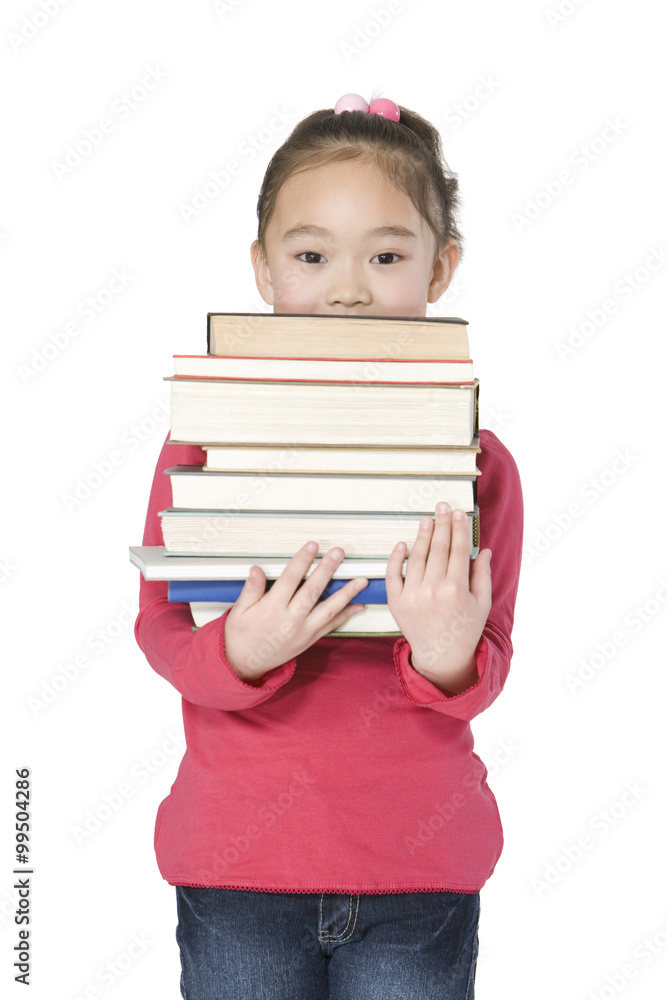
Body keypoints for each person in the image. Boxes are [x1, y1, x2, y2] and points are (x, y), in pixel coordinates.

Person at [134, 92, 524, 1000]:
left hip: (419, 873)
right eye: (311, 255)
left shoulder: (482, 465)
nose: (348, 287)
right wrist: (240, 649)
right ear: (265, 271)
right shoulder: (201, 444)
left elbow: (490, 665)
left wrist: (444, 648)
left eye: (387, 256)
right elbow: (159, 626)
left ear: (440, 268)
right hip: (236, 868)